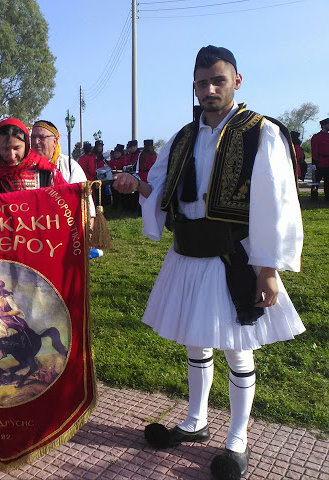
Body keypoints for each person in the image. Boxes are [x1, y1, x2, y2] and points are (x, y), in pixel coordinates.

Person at [112, 46, 304, 479]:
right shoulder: (182, 138)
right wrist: (135, 185)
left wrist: (268, 269)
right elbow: (162, 192)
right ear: (194, 86)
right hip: (189, 254)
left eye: (218, 80)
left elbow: (278, 202)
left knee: (238, 349)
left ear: (238, 80)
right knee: (196, 344)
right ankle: (196, 421)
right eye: (202, 83)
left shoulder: (261, 132)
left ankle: (237, 438)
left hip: (235, 257)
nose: (210, 89)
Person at [0, 118, 67, 197]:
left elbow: (68, 200)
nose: (11, 155)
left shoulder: (47, 172)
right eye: (5, 149)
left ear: (27, 145)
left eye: (16, 148)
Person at [30, 119, 96, 217]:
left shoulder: (69, 166)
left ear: (54, 141)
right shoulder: (24, 167)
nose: (36, 141)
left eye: (42, 137)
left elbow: (84, 206)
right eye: (33, 137)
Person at [310, 118, 329, 200]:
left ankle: (327, 197)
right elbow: (314, 150)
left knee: (328, 182)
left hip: (328, 162)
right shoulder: (316, 137)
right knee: (316, 182)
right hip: (319, 162)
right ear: (324, 125)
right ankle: (314, 197)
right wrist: (314, 163)